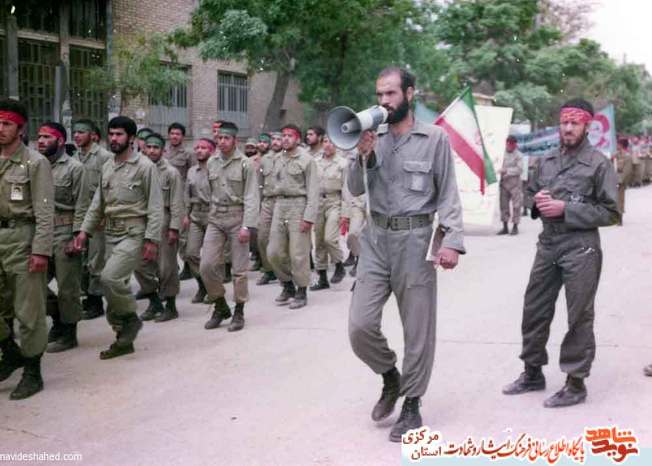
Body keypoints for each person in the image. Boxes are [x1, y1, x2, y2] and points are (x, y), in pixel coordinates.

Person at [348, 68, 465, 442]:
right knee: (360, 326)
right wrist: (362, 155)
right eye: (380, 94)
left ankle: (412, 403)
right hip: (376, 239)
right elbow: (354, 188)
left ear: (410, 94)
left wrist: (451, 241)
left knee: (417, 328)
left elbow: (448, 193)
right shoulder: (372, 137)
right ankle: (390, 376)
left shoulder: (434, 139)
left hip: (415, 239)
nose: (384, 101)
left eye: (391, 94)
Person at [502, 98, 619, 408]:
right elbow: (529, 194)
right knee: (534, 308)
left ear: (587, 126)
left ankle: (575, 382)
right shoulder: (547, 160)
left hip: (581, 246)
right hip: (548, 244)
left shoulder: (599, 164)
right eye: (564, 122)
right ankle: (532, 372)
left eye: (574, 123)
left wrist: (566, 209)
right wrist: (537, 201)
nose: (567, 128)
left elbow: (611, 212)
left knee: (579, 314)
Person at [73, 116, 163, 359]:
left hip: (134, 233)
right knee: (111, 284)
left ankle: (130, 318)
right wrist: (84, 231)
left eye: (119, 134)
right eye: (111, 134)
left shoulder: (145, 167)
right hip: (110, 233)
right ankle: (123, 337)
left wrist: (152, 240)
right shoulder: (108, 166)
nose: (113, 138)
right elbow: (97, 204)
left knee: (109, 278)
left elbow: (155, 206)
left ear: (131, 138)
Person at [0, 99, 54, 400]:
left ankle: (33, 371)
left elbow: (45, 212)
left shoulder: (35, 163)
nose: (0, 128)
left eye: (7, 124)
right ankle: (10, 351)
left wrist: (41, 250)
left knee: (28, 311)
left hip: (23, 240)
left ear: (20, 129)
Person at [200, 122, 259, 332]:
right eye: (219, 138)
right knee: (206, 265)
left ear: (235, 140)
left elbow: (252, 196)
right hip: (216, 218)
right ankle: (220, 305)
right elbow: (210, 191)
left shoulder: (245, 164)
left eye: (226, 138)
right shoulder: (212, 162)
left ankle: (239, 311)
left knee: (239, 270)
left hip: (237, 217)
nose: (222, 142)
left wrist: (247, 226)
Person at [37, 122, 89, 353]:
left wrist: (77, 236)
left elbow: (83, 205)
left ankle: (69, 332)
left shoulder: (75, 168)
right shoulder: (35, 165)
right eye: (39, 136)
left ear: (59, 141)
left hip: (65, 231)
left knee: (68, 287)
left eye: (46, 137)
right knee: (34, 284)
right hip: (41, 232)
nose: (41, 141)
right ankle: (58, 316)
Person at [267, 124, 319, 309]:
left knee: (298, 253)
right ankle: (287, 284)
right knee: (273, 252)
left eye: (290, 136)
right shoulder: (276, 159)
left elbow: (313, 190)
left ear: (297, 139)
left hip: (299, 206)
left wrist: (308, 217)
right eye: (284, 135)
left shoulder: (307, 160)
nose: (286, 139)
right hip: (280, 205)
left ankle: (301, 290)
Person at [135, 133, 184, 322]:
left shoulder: (171, 173)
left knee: (166, 267)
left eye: (156, 147)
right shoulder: (138, 169)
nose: (152, 151)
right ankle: (154, 301)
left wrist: (174, 228)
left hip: (164, 220)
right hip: (143, 220)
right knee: (140, 264)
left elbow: (177, 202)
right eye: (149, 147)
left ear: (163, 150)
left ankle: (170, 306)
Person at [72, 119, 112, 320]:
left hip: (98, 216)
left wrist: (105, 213)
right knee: (81, 260)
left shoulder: (104, 157)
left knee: (96, 260)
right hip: (79, 215)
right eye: (75, 132)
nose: (77, 135)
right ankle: (87, 297)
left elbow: (110, 187)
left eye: (81, 132)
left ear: (92, 135)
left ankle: (96, 301)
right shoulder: (74, 157)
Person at [310, 135, 349, 290]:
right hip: (318, 203)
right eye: (325, 142)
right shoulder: (315, 162)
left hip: (334, 202)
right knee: (319, 241)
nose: (328, 145)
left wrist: (345, 213)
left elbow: (346, 189)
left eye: (332, 142)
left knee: (330, 238)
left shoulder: (342, 163)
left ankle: (339, 264)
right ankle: (322, 278)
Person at [184, 138, 215, 303]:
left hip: (213, 215)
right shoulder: (191, 171)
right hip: (196, 215)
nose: (199, 150)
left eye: (203, 148)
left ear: (212, 151)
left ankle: (214, 290)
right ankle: (202, 285)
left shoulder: (217, 169)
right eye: (197, 148)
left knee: (210, 259)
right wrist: (185, 215)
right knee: (190, 253)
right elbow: (186, 194)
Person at [256, 132, 281, 286]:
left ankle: (284, 271)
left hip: (282, 201)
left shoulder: (287, 158)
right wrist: (257, 205)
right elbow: (259, 183)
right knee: (262, 237)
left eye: (279, 139)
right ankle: (268, 269)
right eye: (274, 139)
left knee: (280, 239)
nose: (276, 142)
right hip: (267, 201)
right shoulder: (264, 159)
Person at [497, 135, 524, 235]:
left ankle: (515, 226)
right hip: (504, 184)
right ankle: (505, 227)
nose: (509, 146)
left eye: (512, 144)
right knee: (503, 205)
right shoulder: (501, 153)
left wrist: (507, 171)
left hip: (515, 184)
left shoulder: (519, 155)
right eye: (508, 144)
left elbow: (520, 169)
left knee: (516, 206)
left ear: (515, 145)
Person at [613, 138, 633, 226]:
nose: (617, 145)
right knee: (613, 199)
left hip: (620, 181)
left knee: (620, 199)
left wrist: (619, 181)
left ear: (621, 145)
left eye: (618, 144)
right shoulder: (616, 154)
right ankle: (614, 216)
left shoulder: (627, 156)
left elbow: (627, 171)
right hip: (614, 179)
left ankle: (620, 218)